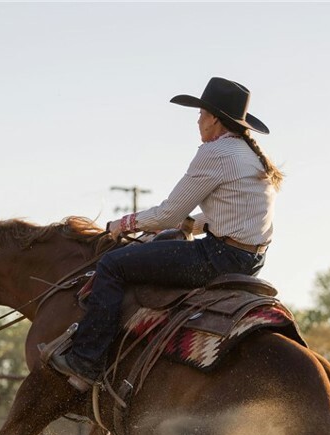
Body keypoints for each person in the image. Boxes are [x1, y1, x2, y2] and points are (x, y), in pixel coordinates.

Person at [49, 76, 284, 390]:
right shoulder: (250, 155)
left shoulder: (215, 154)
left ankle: (87, 360)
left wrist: (121, 225)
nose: (198, 120)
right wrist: (192, 226)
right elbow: (235, 214)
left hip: (218, 256)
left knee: (113, 266)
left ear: (214, 119)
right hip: (250, 259)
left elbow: (167, 214)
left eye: (201, 114)